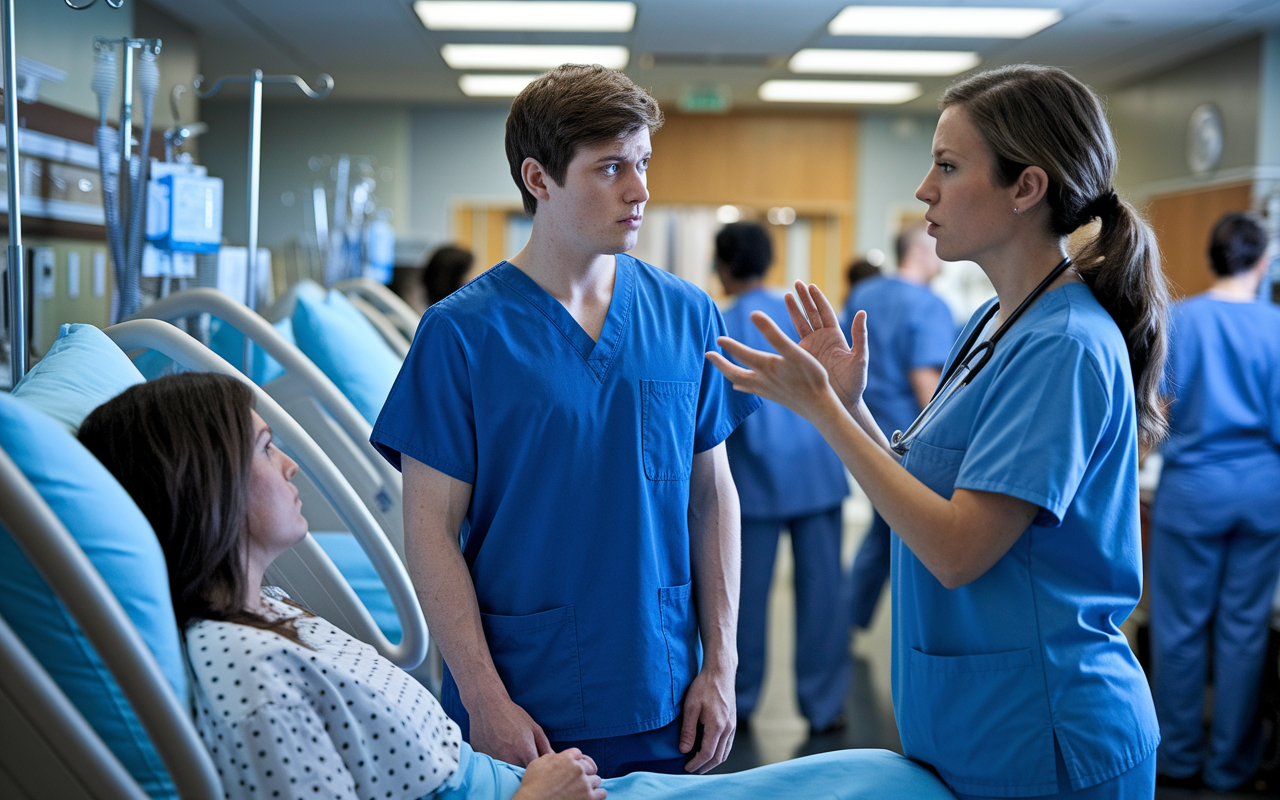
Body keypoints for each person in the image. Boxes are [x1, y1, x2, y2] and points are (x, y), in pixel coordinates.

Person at [76, 371, 958, 800]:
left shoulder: (267, 616)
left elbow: (706, 483)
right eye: (268, 449)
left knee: (882, 778)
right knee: (888, 787)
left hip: (549, 784)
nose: (292, 461)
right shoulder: (244, 673)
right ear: (211, 486)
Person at [706, 64, 1168, 798]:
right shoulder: (993, 324)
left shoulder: (1065, 344)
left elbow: (958, 549)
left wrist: (824, 410)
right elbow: (926, 487)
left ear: (1027, 187)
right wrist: (851, 406)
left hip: (1047, 732)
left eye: (948, 167)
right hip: (977, 724)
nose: (924, 189)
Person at [369, 65, 759, 778]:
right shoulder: (461, 334)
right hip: (522, 702)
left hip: (660, 683)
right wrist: (484, 698)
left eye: (642, 163)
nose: (639, 189)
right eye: (610, 168)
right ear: (539, 179)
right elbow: (428, 529)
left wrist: (723, 665)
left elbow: (712, 497)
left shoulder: (686, 314)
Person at [1149, 212, 1280, 791]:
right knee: (1245, 629)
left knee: (1178, 629)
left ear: (1212, 257)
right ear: (1263, 262)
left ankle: (1178, 757)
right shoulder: (1277, 326)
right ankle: (1232, 766)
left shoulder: (1180, 320)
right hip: (1261, 494)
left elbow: (1158, 413)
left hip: (1192, 494)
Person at [712, 222, 851, 734]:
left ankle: (739, 702)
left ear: (724, 266)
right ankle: (825, 705)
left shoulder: (716, 320)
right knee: (823, 596)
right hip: (818, 473)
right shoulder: (800, 314)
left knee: (741, 598)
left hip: (750, 482)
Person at [839, 224, 956, 630]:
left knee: (885, 529)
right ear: (922, 252)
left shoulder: (864, 294)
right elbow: (928, 385)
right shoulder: (929, 305)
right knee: (912, 537)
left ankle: (850, 619)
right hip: (914, 443)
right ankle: (912, 631)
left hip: (865, 431)